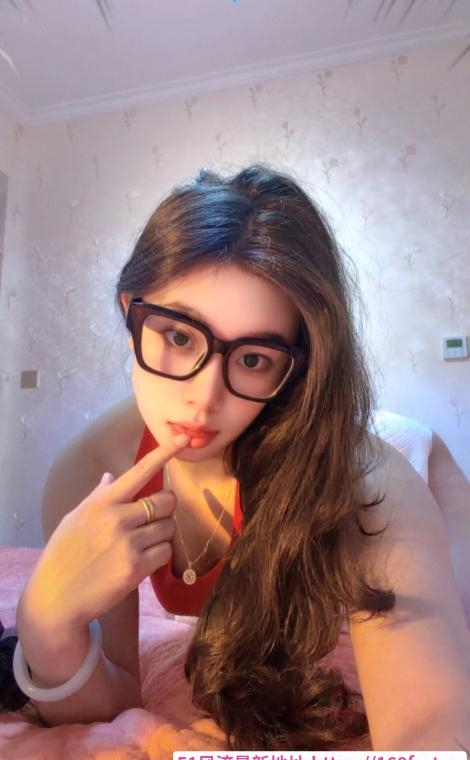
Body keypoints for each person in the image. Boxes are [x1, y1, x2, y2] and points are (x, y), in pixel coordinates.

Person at [13, 165, 470, 750]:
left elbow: (430, 738)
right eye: (179, 336)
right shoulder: (89, 472)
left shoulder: (369, 483)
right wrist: (46, 627)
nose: (205, 398)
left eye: (254, 359)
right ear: (131, 312)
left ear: (296, 368)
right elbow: (116, 698)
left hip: (412, 463)